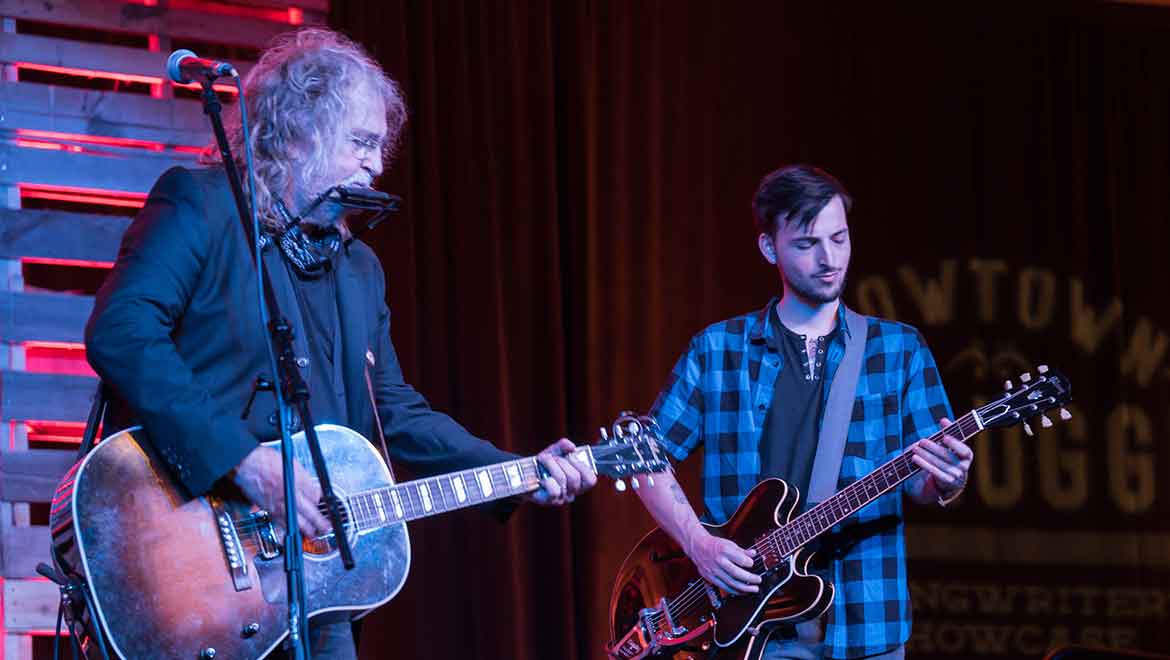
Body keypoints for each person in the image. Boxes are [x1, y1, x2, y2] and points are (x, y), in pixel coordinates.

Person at [84, 28, 595, 659]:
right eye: (361, 143)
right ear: (298, 130)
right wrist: (242, 460)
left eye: (380, 148)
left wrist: (513, 472)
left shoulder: (359, 269)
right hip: (190, 566)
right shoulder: (203, 205)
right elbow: (123, 333)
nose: (376, 165)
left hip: (315, 578)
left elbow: (397, 412)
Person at [635, 164, 972, 659]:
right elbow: (643, 457)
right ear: (770, 248)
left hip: (864, 626)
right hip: (744, 626)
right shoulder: (718, 350)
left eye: (840, 238)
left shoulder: (898, 349)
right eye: (807, 244)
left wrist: (949, 478)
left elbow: (925, 484)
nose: (830, 258)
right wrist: (699, 546)